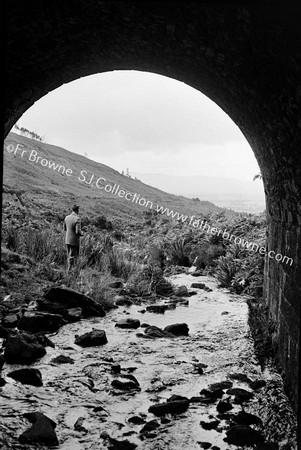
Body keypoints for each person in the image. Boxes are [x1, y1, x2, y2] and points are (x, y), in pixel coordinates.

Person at [64, 204, 84, 271]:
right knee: (73, 256)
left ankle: (69, 269)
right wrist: (82, 233)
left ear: (72, 210)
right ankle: (70, 271)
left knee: (69, 255)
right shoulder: (77, 219)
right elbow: (77, 232)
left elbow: (64, 228)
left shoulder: (66, 217)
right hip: (74, 241)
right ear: (78, 210)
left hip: (67, 239)